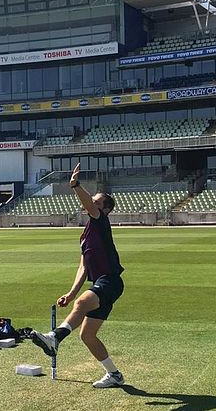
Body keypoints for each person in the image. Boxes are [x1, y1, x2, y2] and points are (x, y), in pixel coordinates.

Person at [31, 163, 125, 388]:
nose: (92, 202)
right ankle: (114, 374)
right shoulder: (85, 236)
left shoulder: (100, 221)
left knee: (85, 301)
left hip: (110, 280)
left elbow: (90, 205)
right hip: (101, 282)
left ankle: (54, 338)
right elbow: (83, 267)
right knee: (87, 336)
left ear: (105, 209)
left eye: (97, 201)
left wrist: (75, 185)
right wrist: (71, 293)